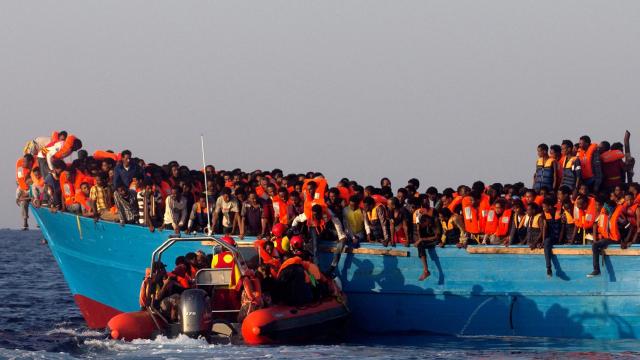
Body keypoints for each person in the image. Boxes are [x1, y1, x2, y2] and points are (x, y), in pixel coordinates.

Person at [588, 198, 625, 277]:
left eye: (606, 208)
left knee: (595, 245)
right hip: (608, 239)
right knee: (595, 244)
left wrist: (624, 241)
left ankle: (596, 270)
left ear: (611, 209)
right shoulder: (605, 215)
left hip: (615, 239)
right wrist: (596, 239)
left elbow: (627, 227)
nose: (604, 210)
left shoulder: (618, 217)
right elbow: (595, 225)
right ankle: (596, 269)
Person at [414, 206, 441, 280]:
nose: (428, 225)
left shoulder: (434, 221)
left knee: (421, 243)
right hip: (426, 241)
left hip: (435, 241)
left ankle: (426, 271)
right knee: (420, 245)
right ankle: (426, 270)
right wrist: (419, 232)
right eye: (426, 224)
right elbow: (417, 240)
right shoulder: (420, 225)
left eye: (427, 223)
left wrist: (422, 239)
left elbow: (437, 237)